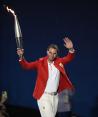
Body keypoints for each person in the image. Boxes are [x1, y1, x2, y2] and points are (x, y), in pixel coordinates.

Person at [17, 37, 75, 117]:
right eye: (50, 52)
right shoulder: (40, 62)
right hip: (43, 96)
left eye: (54, 53)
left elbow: (69, 58)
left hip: (55, 97)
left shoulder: (59, 61)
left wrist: (71, 49)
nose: (51, 55)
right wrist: (21, 57)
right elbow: (26, 66)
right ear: (47, 52)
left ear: (56, 54)